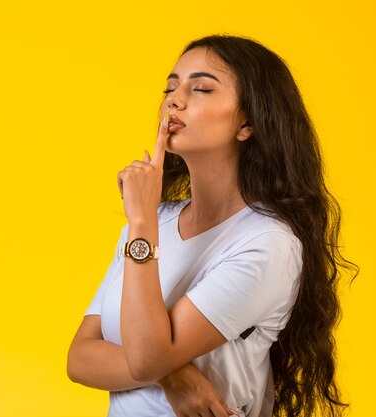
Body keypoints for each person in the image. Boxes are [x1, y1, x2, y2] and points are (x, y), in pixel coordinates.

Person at [66, 35, 357, 417]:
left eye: (201, 88)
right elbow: (80, 357)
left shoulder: (266, 243)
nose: (174, 99)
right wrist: (175, 375)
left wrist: (140, 222)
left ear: (248, 124)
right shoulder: (157, 222)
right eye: (170, 87)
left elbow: (146, 359)